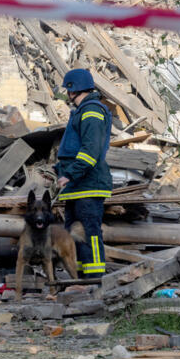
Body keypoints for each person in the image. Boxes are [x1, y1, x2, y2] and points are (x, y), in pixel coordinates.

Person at [54, 68, 113, 279]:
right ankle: (78, 279)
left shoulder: (91, 112)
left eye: (67, 91)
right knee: (74, 233)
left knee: (89, 232)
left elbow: (91, 151)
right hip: (77, 186)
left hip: (88, 184)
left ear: (73, 90)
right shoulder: (83, 112)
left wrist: (70, 174)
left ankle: (95, 280)